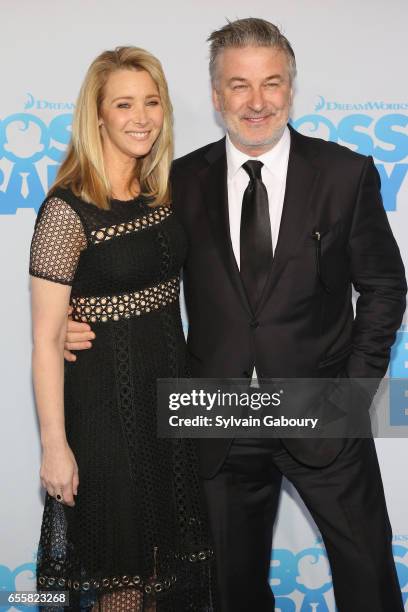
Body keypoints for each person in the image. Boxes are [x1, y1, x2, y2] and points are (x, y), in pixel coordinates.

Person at [63, 19, 406, 612]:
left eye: (271, 83)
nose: (257, 102)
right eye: (239, 85)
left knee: (368, 577)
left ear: (291, 89)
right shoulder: (176, 182)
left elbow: (385, 287)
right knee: (230, 593)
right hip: (215, 417)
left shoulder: (346, 175)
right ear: (217, 96)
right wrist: (80, 320)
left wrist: (352, 393)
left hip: (320, 408)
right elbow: (137, 270)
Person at [30, 46, 215, 612]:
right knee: (122, 579)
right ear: (99, 114)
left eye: (152, 102)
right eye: (124, 104)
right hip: (104, 417)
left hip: (169, 406)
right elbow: (43, 340)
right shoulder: (67, 211)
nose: (141, 117)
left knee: (166, 571)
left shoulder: (165, 193)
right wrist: (54, 448)